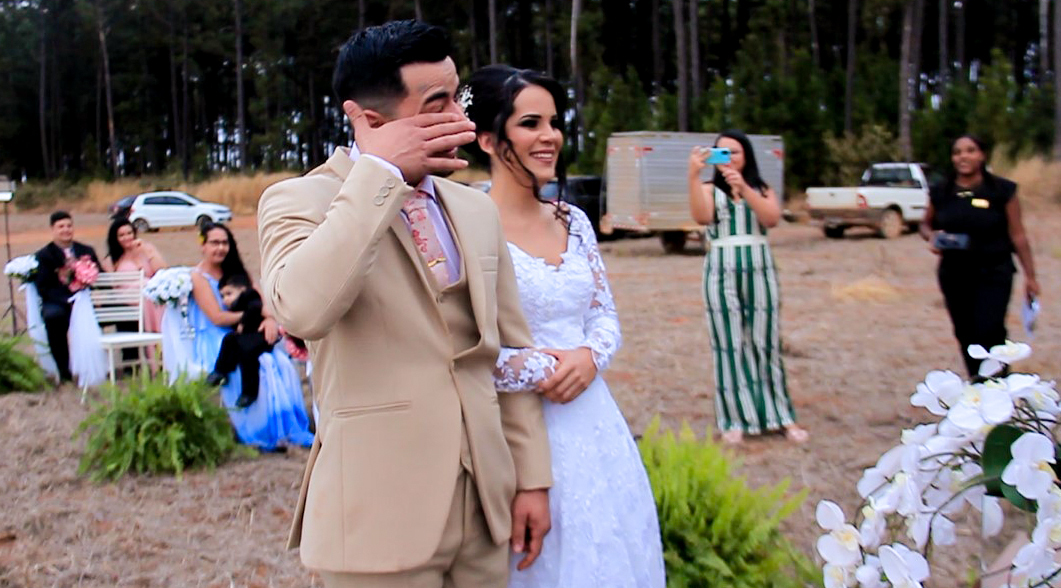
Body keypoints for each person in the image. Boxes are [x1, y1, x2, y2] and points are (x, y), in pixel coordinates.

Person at [256, 21, 554, 588]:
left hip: (485, 509)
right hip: (376, 515)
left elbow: (509, 353)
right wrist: (381, 174)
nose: (463, 121)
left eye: (457, 96)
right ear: (369, 120)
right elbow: (300, 309)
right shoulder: (298, 201)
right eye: (437, 103)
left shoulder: (475, 209)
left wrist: (531, 478)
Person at [463, 64, 666, 587]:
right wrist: (547, 366)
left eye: (554, 122)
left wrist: (590, 357)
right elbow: (465, 350)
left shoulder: (572, 220)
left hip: (595, 423)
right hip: (516, 432)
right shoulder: (467, 227)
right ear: (488, 138)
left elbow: (603, 315)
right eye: (530, 123)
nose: (550, 136)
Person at [686, 131, 807, 445]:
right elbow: (701, 216)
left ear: (747, 156)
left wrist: (744, 189)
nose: (728, 158)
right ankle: (734, 418)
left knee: (765, 340)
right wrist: (693, 173)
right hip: (720, 268)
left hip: (759, 267)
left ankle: (780, 415)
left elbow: (771, 218)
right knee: (728, 343)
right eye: (721, 152)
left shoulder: (761, 189)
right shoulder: (708, 189)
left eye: (734, 152)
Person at [919, 134, 1039, 377]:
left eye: (970, 150)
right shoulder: (941, 191)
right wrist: (931, 236)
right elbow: (924, 224)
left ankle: (1000, 387)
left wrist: (1031, 276)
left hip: (994, 271)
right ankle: (978, 384)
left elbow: (1018, 235)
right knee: (965, 333)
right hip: (954, 273)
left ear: (982, 155)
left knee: (990, 330)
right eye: (957, 152)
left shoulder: (1002, 190)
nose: (963, 156)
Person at [186, 222, 314, 450]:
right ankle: (259, 428)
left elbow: (265, 304)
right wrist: (252, 314)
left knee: (280, 362)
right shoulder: (199, 277)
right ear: (203, 246)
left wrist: (269, 320)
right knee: (260, 364)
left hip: (249, 333)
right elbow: (217, 317)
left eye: (225, 242)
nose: (220, 248)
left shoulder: (238, 274)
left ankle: (286, 426)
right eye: (215, 243)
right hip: (219, 337)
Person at [34, 211, 102, 383]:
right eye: (61, 226)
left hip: (86, 300)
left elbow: (99, 275)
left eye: (69, 226)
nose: (66, 230)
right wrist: (68, 301)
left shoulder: (86, 250)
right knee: (53, 317)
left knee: (122, 311)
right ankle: (64, 371)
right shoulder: (44, 255)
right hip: (59, 302)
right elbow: (43, 287)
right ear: (53, 229)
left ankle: (127, 362)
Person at [101, 217, 166, 362]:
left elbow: (161, 271)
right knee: (147, 293)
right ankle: (153, 353)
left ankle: (162, 351)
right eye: (122, 235)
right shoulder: (112, 259)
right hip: (128, 299)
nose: (127, 238)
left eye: (129, 233)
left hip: (150, 296)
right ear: (115, 238)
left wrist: (144, 254)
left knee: (154, 295)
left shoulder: (146, 248)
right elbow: (114, 285)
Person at [206, 272, 271, 409]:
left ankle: (249, 392)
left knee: (247, 353)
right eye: (222, 296)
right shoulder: (237, 304)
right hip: (247, 336)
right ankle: (221, 371)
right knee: (229, 339)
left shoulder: (250, 296)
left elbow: (255, 307)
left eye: (229, 294)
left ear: (242, 289)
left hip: (260, 335)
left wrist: (243, 321)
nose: (225, 300)